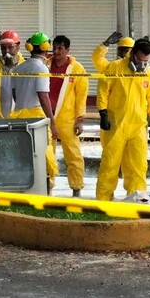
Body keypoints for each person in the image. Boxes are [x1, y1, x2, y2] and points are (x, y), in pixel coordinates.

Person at [96, 38, 150, 201]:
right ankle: (103, 199)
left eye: (146, 61)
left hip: (138, 126)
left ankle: (136, 199)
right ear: (132, 54)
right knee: (110, 164)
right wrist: (103, 112)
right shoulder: (115, 68)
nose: (142, 64)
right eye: (140, 59)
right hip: (116, 124)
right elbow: (103, 90)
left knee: (138, 166)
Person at [10, 32, 59, 194]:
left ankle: (25, 187)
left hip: (18, 114)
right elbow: (43, 95)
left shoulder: (19, 67)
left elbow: (15, 94)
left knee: (23, 153)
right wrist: (51, 120)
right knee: (45, 153)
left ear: (29, 47)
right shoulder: (41, 68)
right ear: (46, 47)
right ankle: (46, 188)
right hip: (37, 115)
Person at [48, 35, 88, 198]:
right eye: (54, 48)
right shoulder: (45, 65)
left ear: (67, 50)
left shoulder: (77, 69)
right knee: (47, 154)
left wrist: (80, 120)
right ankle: (47, 187)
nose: (56, 52)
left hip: (68, 119)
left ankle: (76, 189)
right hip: (47, 117)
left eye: (60, 48)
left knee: (73, 154)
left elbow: (81, 96)